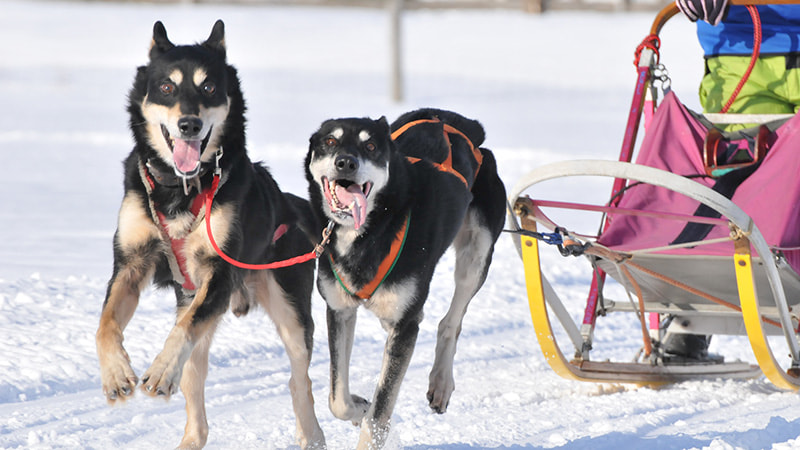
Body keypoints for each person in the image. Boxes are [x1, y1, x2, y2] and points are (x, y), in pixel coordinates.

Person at [662, 0, 800, 361]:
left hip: (736, 47)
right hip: (738, 45)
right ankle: (695, 311)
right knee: (735, 182)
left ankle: (692, 315)